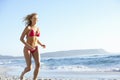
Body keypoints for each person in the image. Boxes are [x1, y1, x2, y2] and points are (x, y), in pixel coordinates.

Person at [20, 13, 46, 80]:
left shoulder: (37, 28)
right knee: (29, 68)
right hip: (27, 48)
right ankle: (22, 74)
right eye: (34, 18)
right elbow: (21, 39)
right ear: (31, 19)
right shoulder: (28, 28)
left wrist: (41, 44)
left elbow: (36, 39)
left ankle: (34, 79)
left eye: (37, 19)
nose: (36, 20)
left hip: (35, 48)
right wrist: (29, 46)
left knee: (38, 64)